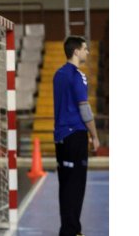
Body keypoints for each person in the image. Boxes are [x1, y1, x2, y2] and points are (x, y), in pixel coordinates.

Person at [53, 36, 100, 236]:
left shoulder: (58, 74)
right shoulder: (77, 75)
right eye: (85, 49)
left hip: (61, 137)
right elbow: (84, 108)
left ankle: (68, 229)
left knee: (65, 184)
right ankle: (72, 231)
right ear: (76, 51)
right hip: (76, 136)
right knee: (77, 185)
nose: (87, 52)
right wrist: (95, 135)